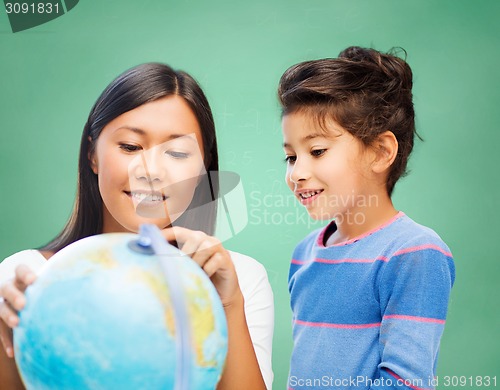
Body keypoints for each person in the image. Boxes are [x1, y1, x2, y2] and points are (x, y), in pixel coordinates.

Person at [0, 63, 273, 389]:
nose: (151, 170)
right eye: (130, 147)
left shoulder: (240, 280)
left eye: (176, 152)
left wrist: (229, 305)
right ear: (93, 154)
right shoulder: (25, 278)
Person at [279, 46, 455, 389]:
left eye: (317, 151)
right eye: (290, 156)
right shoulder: (304, 254)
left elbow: (406, 383)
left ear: (380, 151)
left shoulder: (414, 252)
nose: (297, 172)